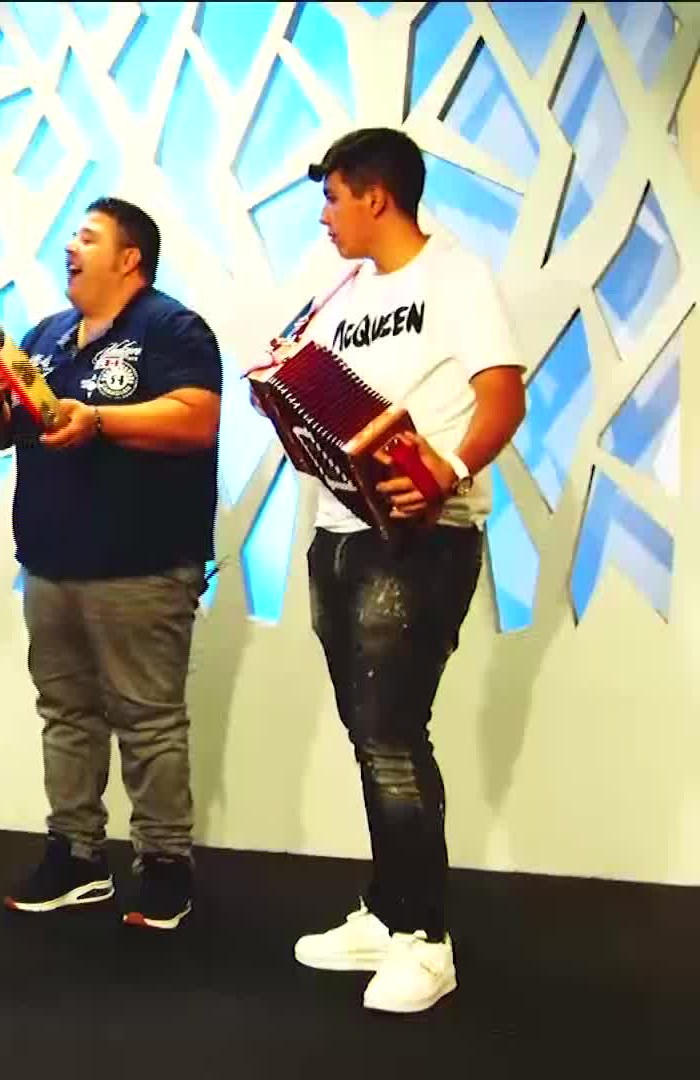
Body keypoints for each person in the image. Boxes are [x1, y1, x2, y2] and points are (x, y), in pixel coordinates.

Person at [277, 128, 525, 1013]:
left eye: (333, 196)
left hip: (423, 539)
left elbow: (504, 396)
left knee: (392, 733)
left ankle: (427, 939)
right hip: (338, 532)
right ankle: (387, 914)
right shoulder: (341, 290)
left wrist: (447, 471)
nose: (325, 216)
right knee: (368, 732)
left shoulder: (456, 274)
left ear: (375, 195)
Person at [0, 197, 222, 931]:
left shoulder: (173, 327)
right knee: (66, 715)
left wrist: (100, 420)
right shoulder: (45, 337)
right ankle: (76, 854)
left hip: (143, 563)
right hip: (49, 562)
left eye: (87, 237)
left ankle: (165, 864)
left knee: (148, 720)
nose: (69, 248)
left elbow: (198, 418)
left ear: (129, 258)